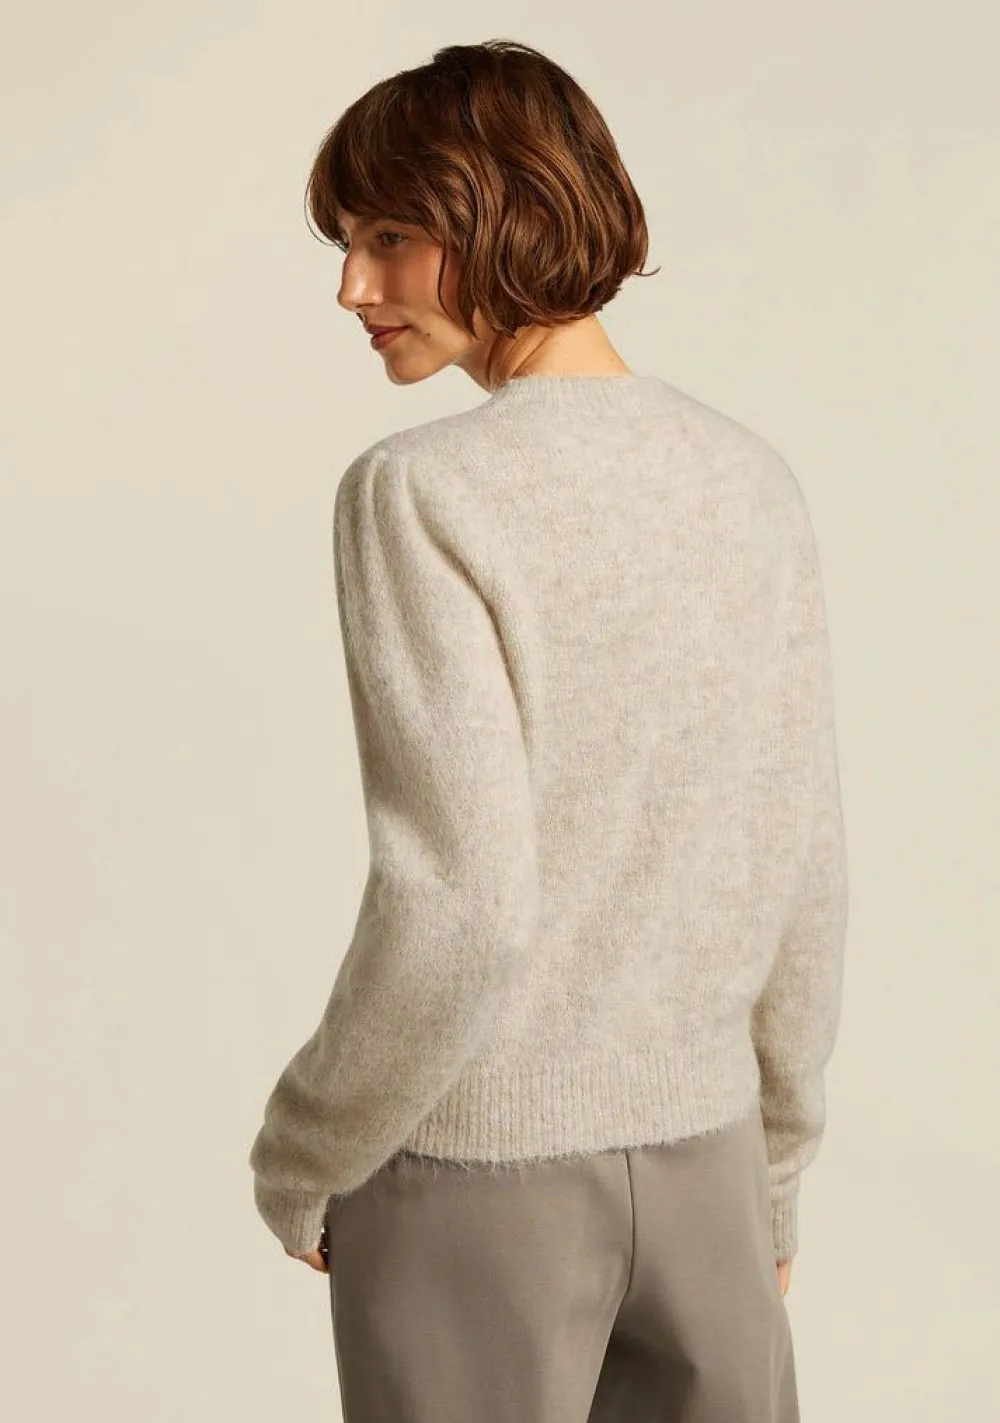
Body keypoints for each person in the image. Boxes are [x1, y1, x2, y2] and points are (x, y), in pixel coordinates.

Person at [248, 38, 848, 1423]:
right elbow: (802, 868)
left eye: (389, 238)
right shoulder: (750, 480)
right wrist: (773, 1172)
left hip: (475, 1184)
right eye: (347, 245)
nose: (351, 289)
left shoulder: (420, 491)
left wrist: (305, 1148)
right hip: (709, 1164)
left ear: (499, 214)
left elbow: (460, 905)